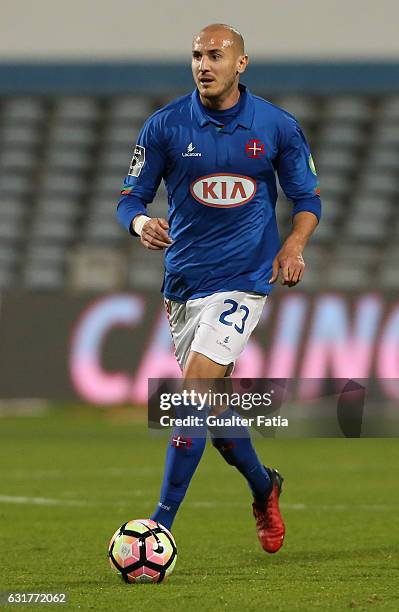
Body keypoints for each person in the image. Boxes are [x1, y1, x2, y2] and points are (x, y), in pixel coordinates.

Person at [116, 23, 321, 554]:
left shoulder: (276, 126)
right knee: (210, 409)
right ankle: (264, 484)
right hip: (184, 283)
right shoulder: (165, 126)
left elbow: (308, 201)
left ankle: (159, 525)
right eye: (195, 56)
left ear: (241, 64)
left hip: (244, 283)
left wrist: (293, 246)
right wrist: (141, 224)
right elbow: (129, 199)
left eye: (214, 55)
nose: (203, 65)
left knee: (193, 395)